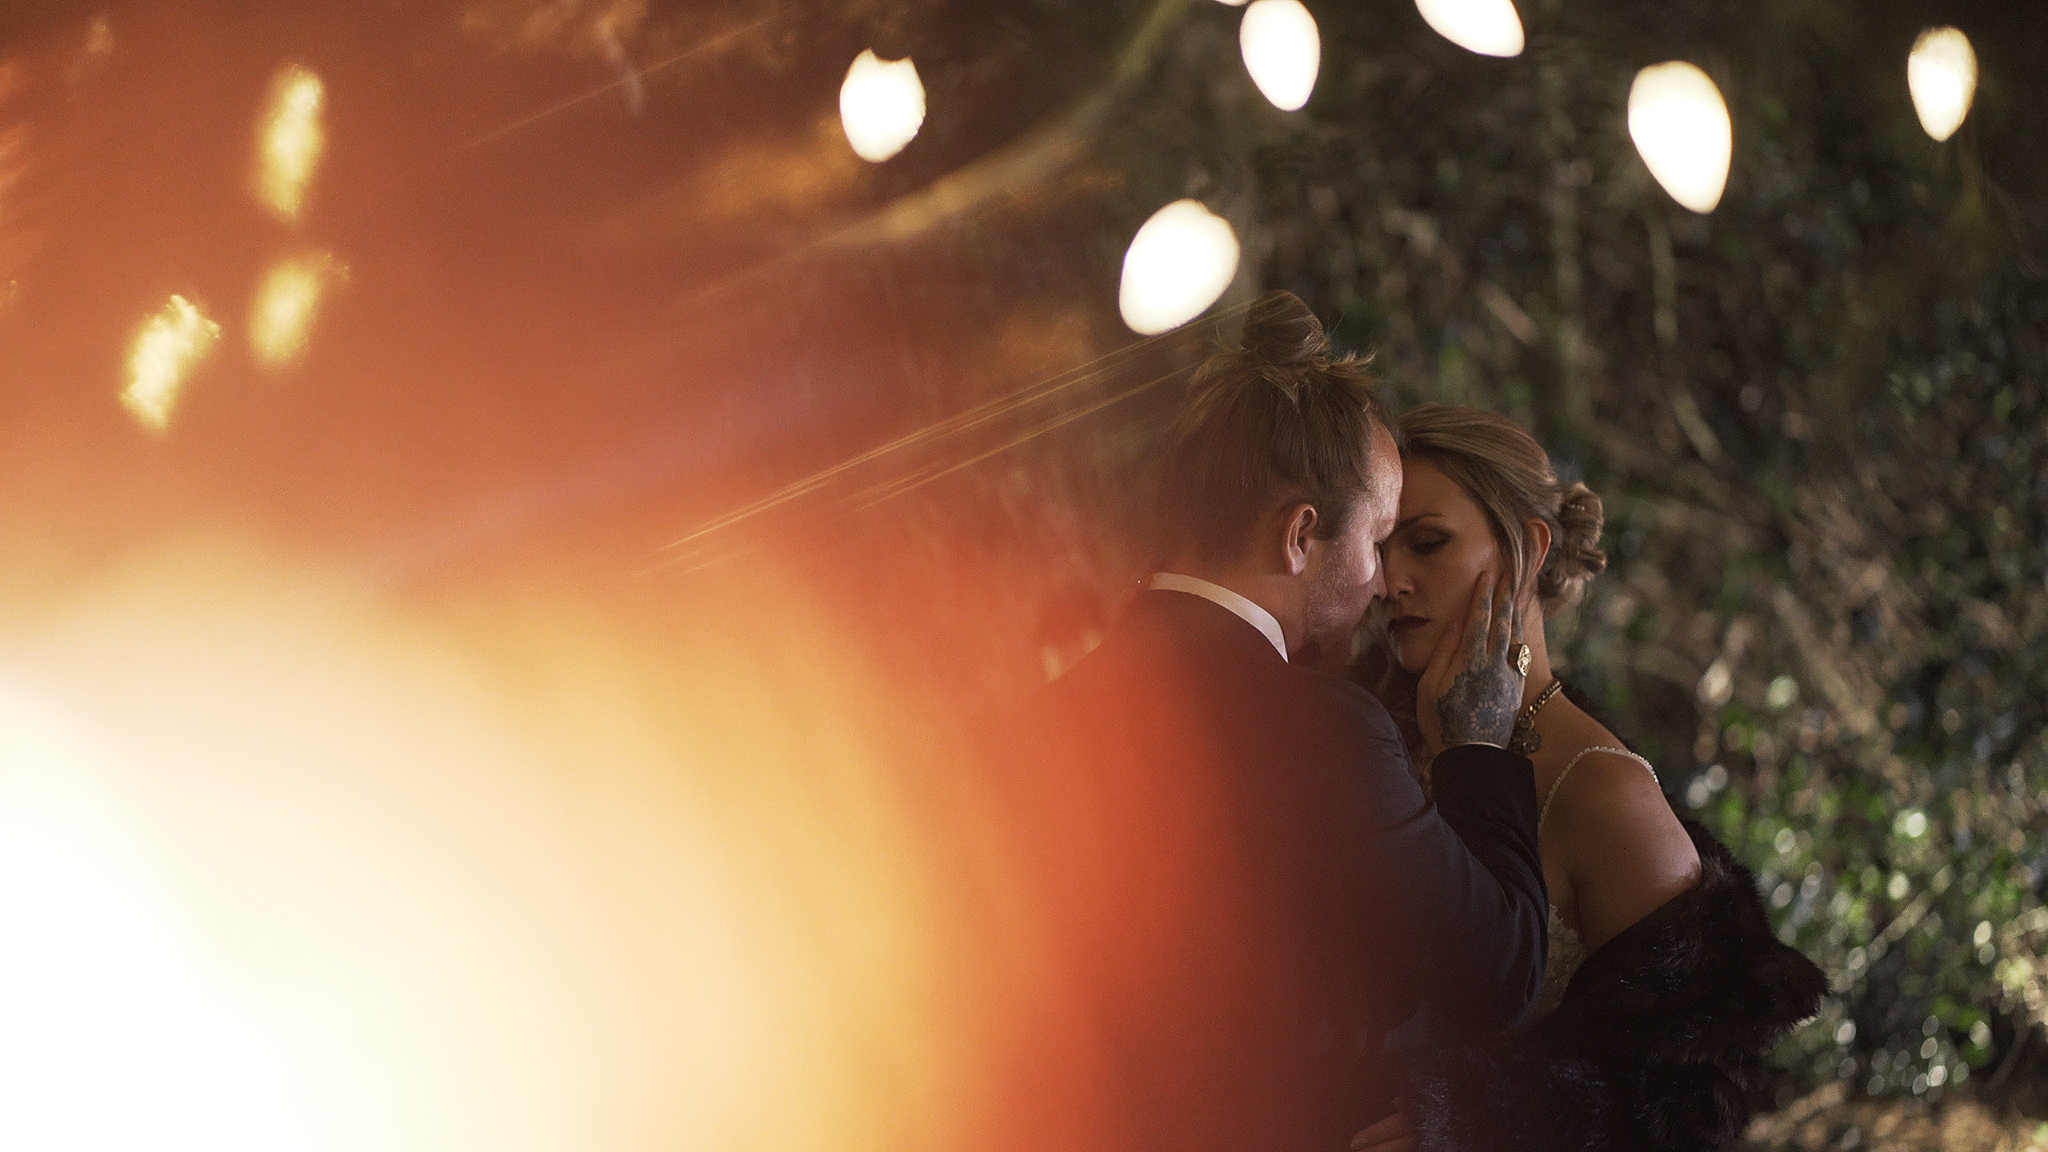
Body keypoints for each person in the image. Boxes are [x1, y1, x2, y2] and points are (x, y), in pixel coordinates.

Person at [1012, 293, 1548, 1152]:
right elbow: (1500, 972)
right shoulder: (1323, 733)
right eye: (1376, 541)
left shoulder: (1032, 721)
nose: (1382, 584)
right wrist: (1479, 749)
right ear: (1300, 536)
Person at [1352, 403, 1826, 1152]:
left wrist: (1479, 1124)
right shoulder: (1363, 729)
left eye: (1429, 543)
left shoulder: (1605, 792)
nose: (1391, 582)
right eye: (1381, 547)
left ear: (1527, 551)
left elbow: (1683, 1109)